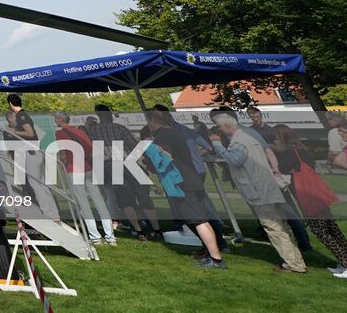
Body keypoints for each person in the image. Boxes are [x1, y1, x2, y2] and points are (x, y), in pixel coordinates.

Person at [208, 108, 305, 272]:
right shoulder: (249, 136)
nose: (219, 131)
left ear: (225, 126)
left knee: (272, 227)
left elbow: (234, 160)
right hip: (267, 185)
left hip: (257, 189)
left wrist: (217, 144)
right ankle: (296, 260)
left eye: (219, 128)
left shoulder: (238, 141)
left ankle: (293, 264)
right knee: (281, 226)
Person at [272, 124, 347, 279]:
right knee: (333, 231)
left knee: (322, 232)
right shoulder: (301, 150)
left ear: (281, 138)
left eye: (274, 138)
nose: (273, 142)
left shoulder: (289, 153)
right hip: (318, 195)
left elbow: (281, 169)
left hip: (309, 199)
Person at [146, 111, 226, 268]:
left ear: (154, 120)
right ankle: (212, 251)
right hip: (191, 178)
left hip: (181, 181)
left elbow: (166, 158)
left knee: (197, 220)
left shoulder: (163, 135)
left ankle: (216, 259)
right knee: (199, 218)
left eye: (149, 121)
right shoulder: (174, 132)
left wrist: (150, 153)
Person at [88, 105, 157, 239]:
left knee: (125, 200)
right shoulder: (120, 128)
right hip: (128, 162)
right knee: (144, 196)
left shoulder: (93, 131)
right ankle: (156, 229)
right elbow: (134, 145)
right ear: (109, 115)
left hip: (109, 165)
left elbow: (94, 152)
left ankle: (138, 230)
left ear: (98, 116)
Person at [53, 112, 115, 244]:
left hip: (73, 169)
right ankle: (110, 236)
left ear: (59, 120)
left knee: (84, 204)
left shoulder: (60, 133)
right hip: (87, 168)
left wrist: (64, 164)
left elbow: (63, 153)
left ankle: (95, 236)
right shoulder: (79, 131)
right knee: (99, 202)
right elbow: (91, 149)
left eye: (55, 119)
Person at [3, 94, 57, 218]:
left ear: (10, 104)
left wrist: (14, 132)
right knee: (41, 184)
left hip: (31, 153)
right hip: (34, 152)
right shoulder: (23, 115)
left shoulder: (21, 115)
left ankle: (48, 213)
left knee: (36, 184)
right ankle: (53, 212)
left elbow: (30, 133)